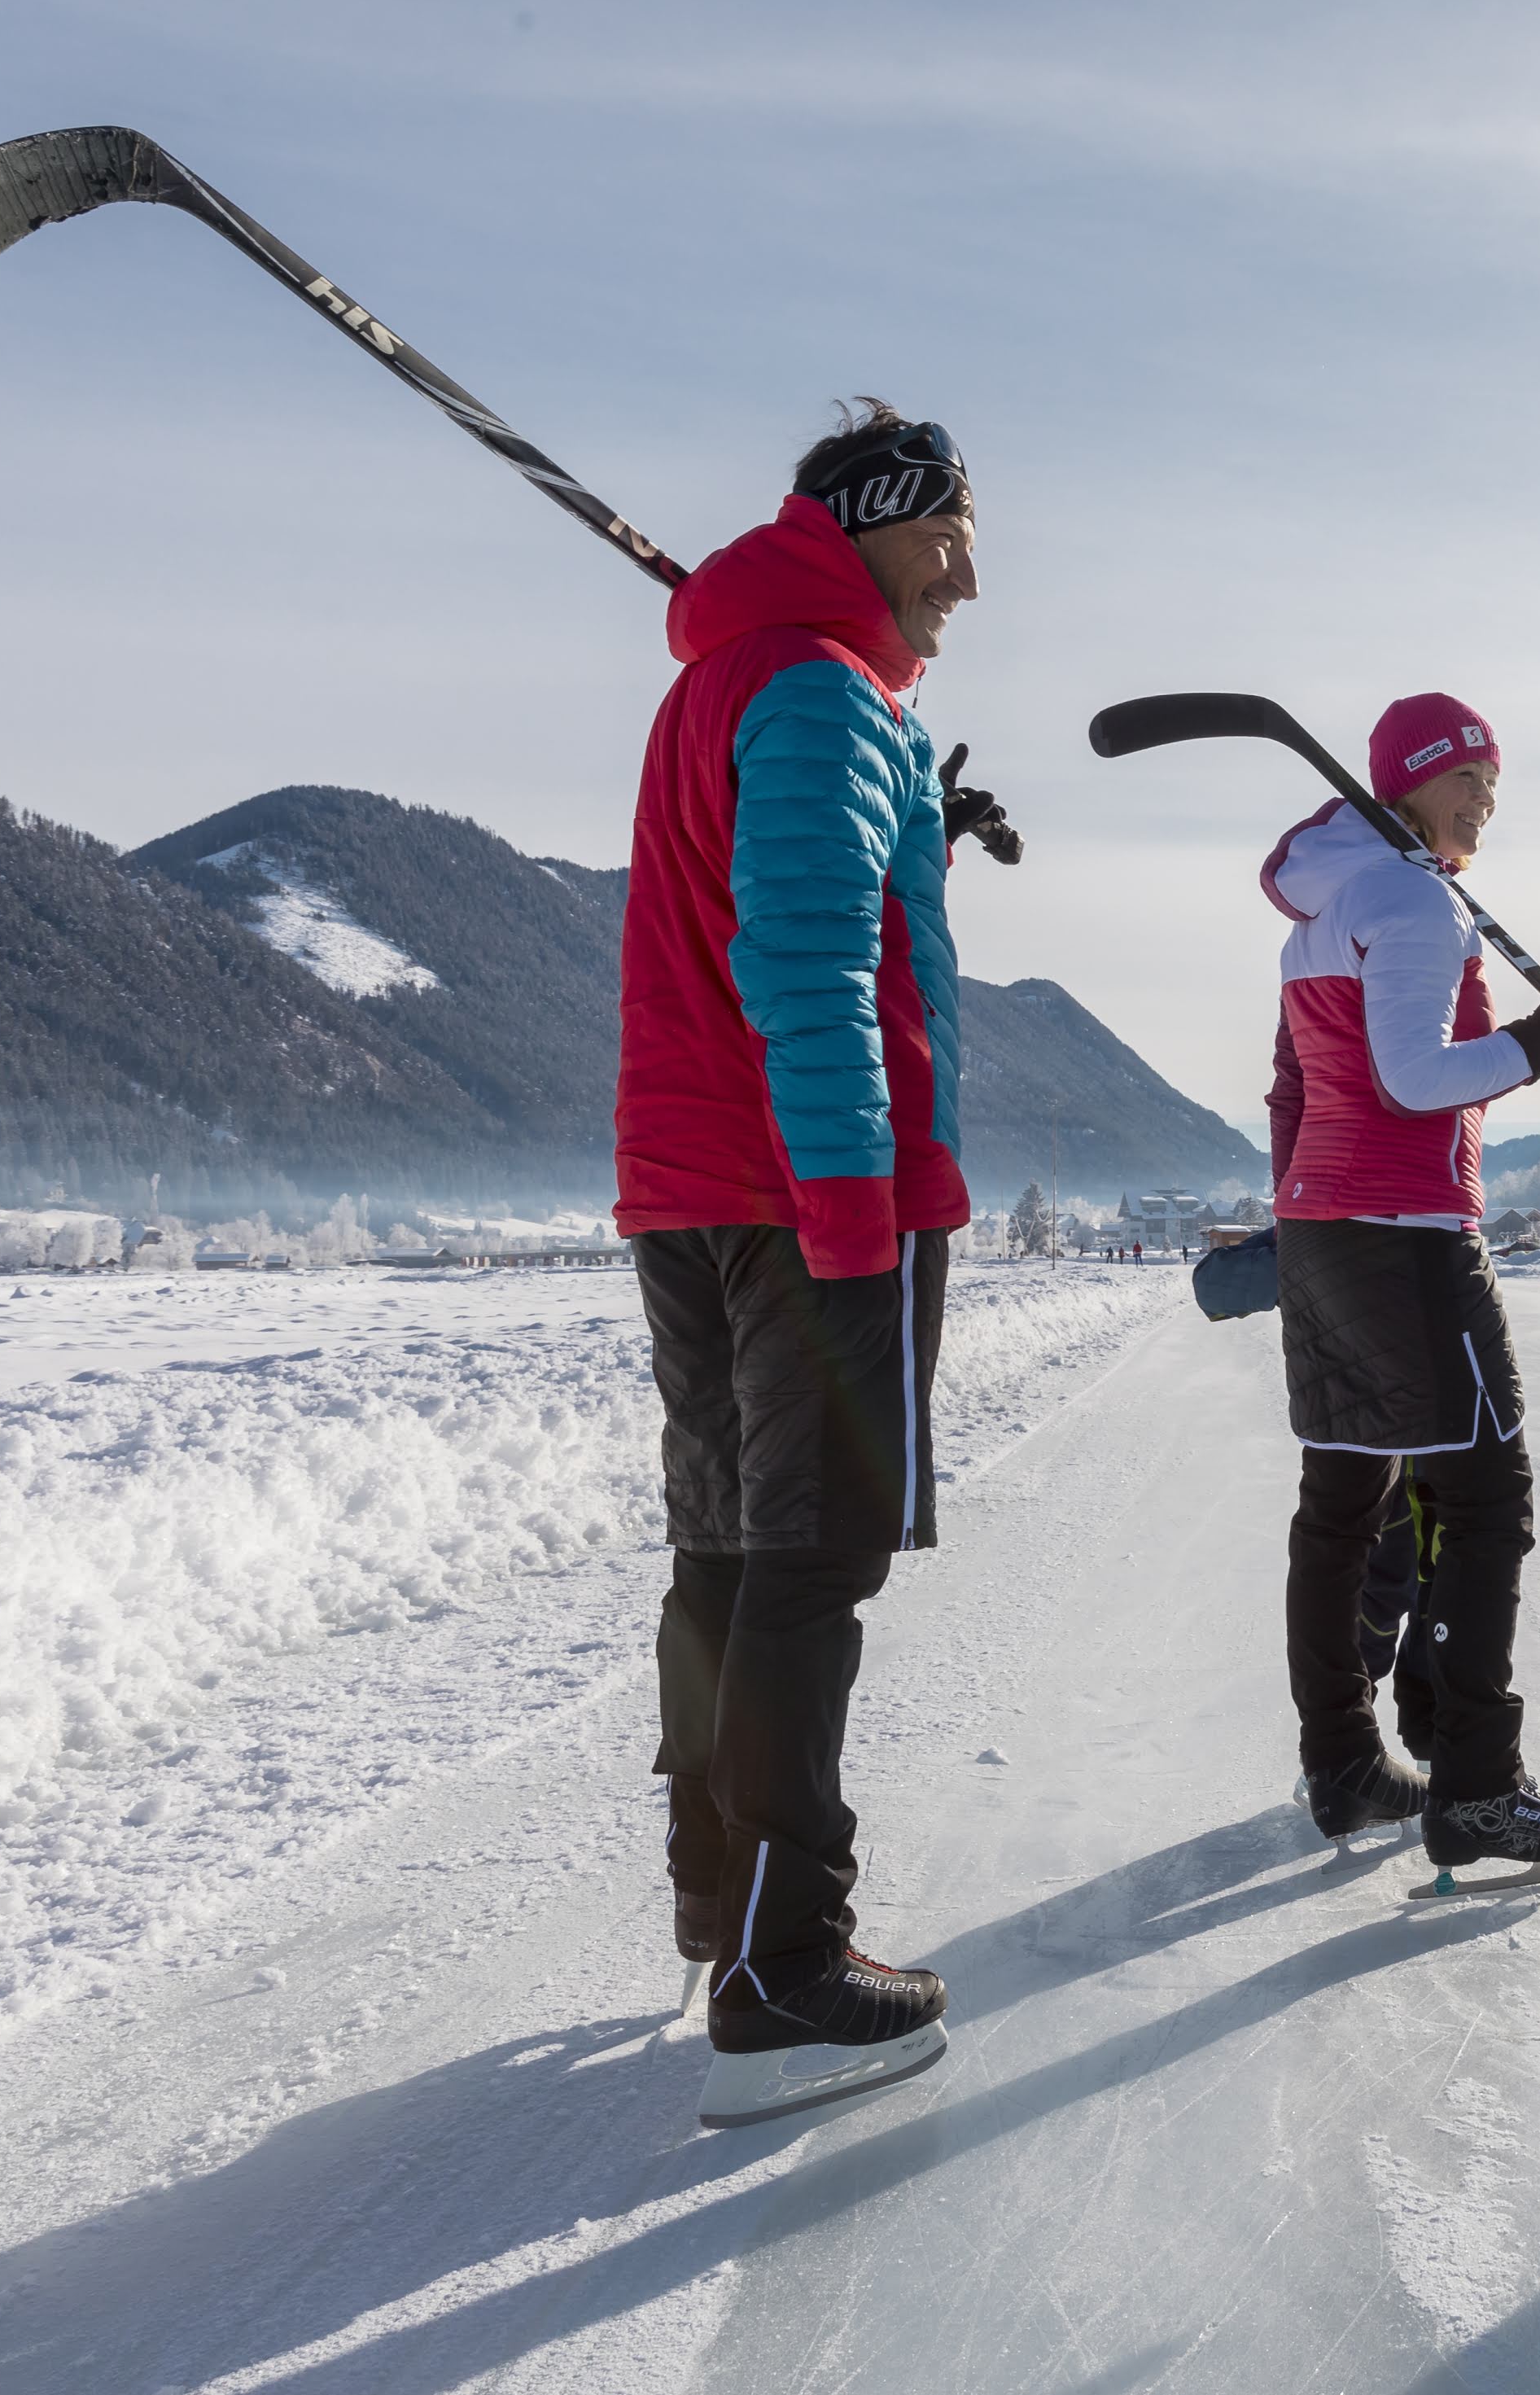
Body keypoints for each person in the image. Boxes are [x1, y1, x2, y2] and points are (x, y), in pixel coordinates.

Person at [617, 401, 995, 2126]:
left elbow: (772, 893)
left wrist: (914, 788)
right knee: (810, 1565)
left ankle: (721, 1905)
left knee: (726, 1546)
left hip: (692, 1188)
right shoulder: (824, 690)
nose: (967, 581)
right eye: (946, 541)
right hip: (804, 1191)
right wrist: (855, 1214)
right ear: (876, 528)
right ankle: (788, 1962)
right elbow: (811, 963)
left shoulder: (743, 680)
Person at [1259, 696, 1540, 1881]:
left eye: (1490, 783)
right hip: (1409, 1235)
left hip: (1328, 1228)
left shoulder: (1327, 905)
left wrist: (1301, 1206)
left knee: (1342, 1504)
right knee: (1484, 1497)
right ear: (1405, 784)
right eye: (1461, 777)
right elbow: (1415, 1078)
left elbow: (1293, 1094)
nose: (1480, 801)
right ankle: (1473, 1782)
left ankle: (1346, 1762)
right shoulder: (1414, 898)